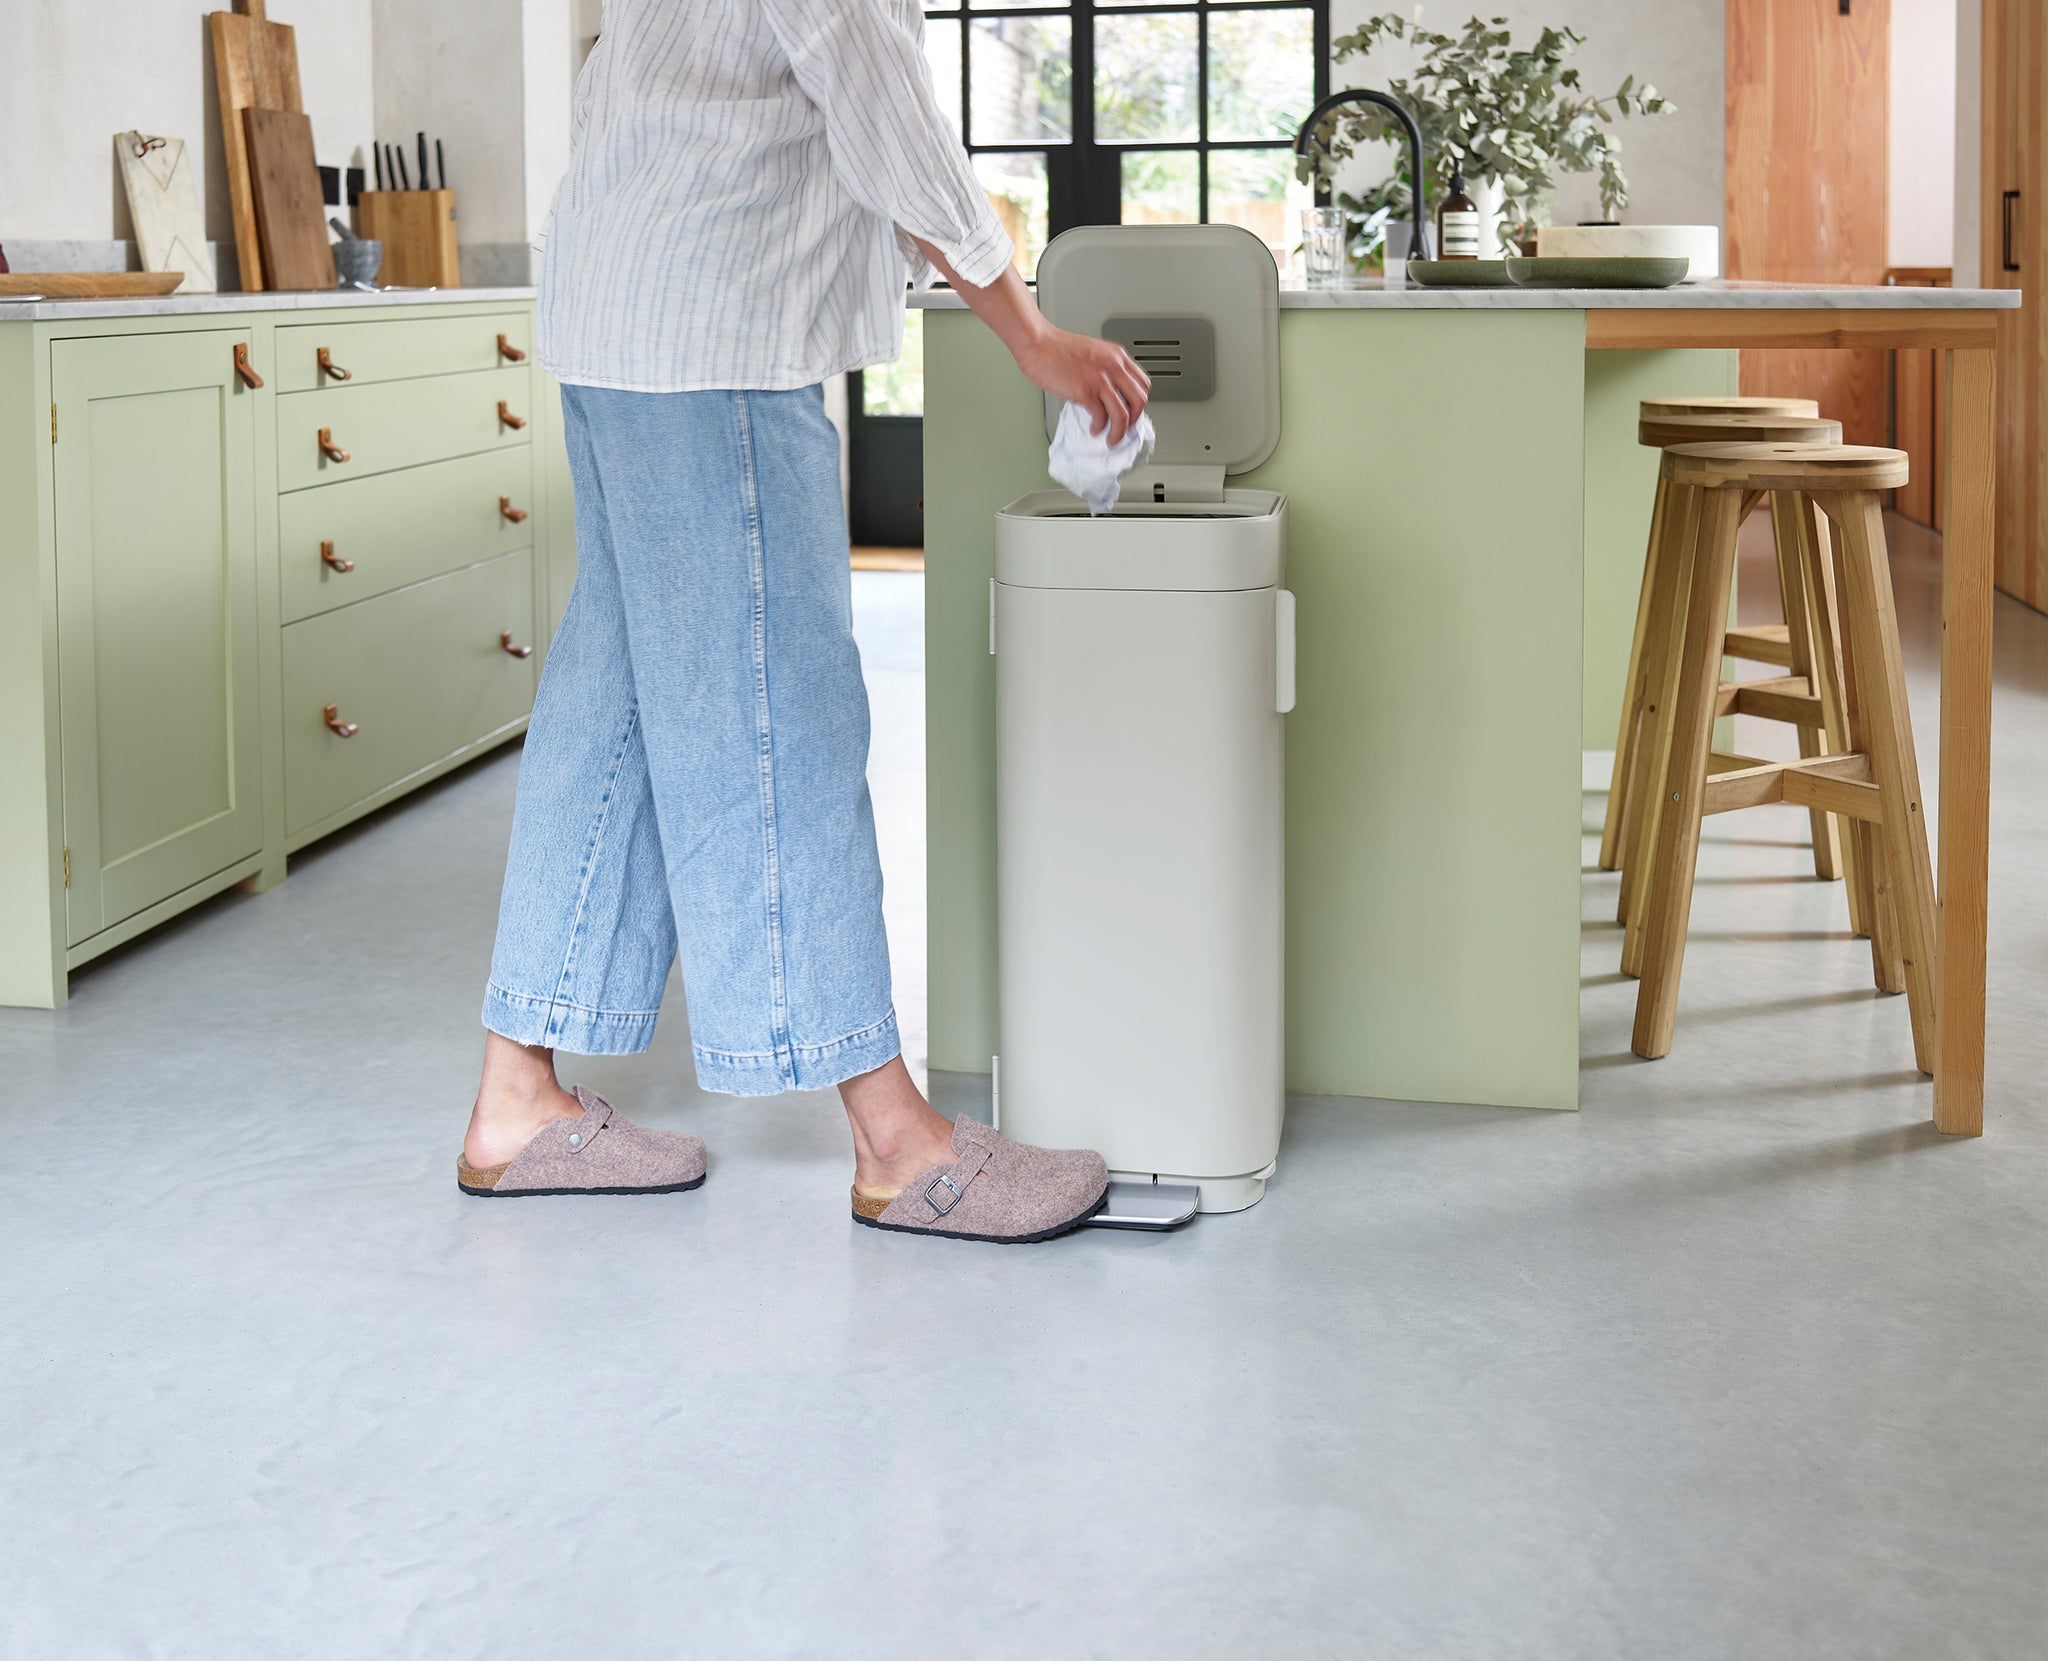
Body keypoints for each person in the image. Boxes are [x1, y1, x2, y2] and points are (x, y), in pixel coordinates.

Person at [454, 0, 1151, 1243]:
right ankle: (897, 1140)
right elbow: (882, 107)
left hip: (622, 318)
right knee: (783, 716)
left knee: (613, 710)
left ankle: (514, 1098)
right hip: (712, 327)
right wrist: (1029, 331)